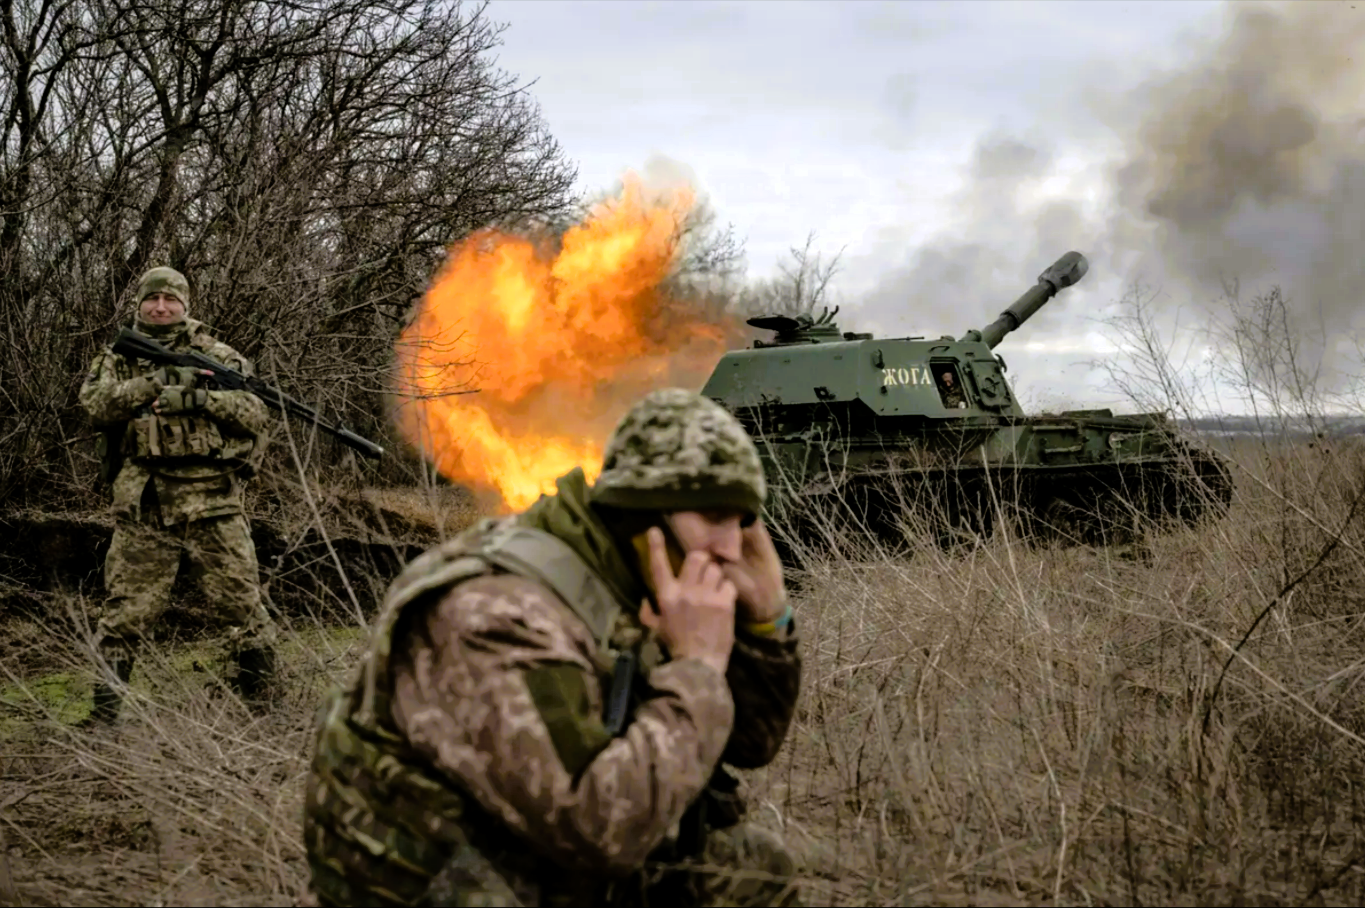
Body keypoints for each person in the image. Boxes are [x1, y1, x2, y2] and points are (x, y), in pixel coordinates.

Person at [303, 388, 804, 907]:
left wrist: (768, 621)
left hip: (532, 854)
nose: (730, 547)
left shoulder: (639, 578)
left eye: (743, 521)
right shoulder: (498, 613)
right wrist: (697, 668)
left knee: (749, 868)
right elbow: (596, 831)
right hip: (451, 882)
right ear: (642, 515)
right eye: (714, 517)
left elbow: (750, 743)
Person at [78, 266, 277, 722]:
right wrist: (154, 384)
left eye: (171, 300)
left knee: (242, 604)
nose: (162, 307)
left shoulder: (216, 354)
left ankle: (266, 709)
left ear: (185, 306)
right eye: (153, 300)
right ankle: (103, 719)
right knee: (125, 614)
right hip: (144, 504)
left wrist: (200, 399)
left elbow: (255, 412)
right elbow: (94, 405)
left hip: (214, 502)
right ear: (141, 304)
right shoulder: (117, 358)